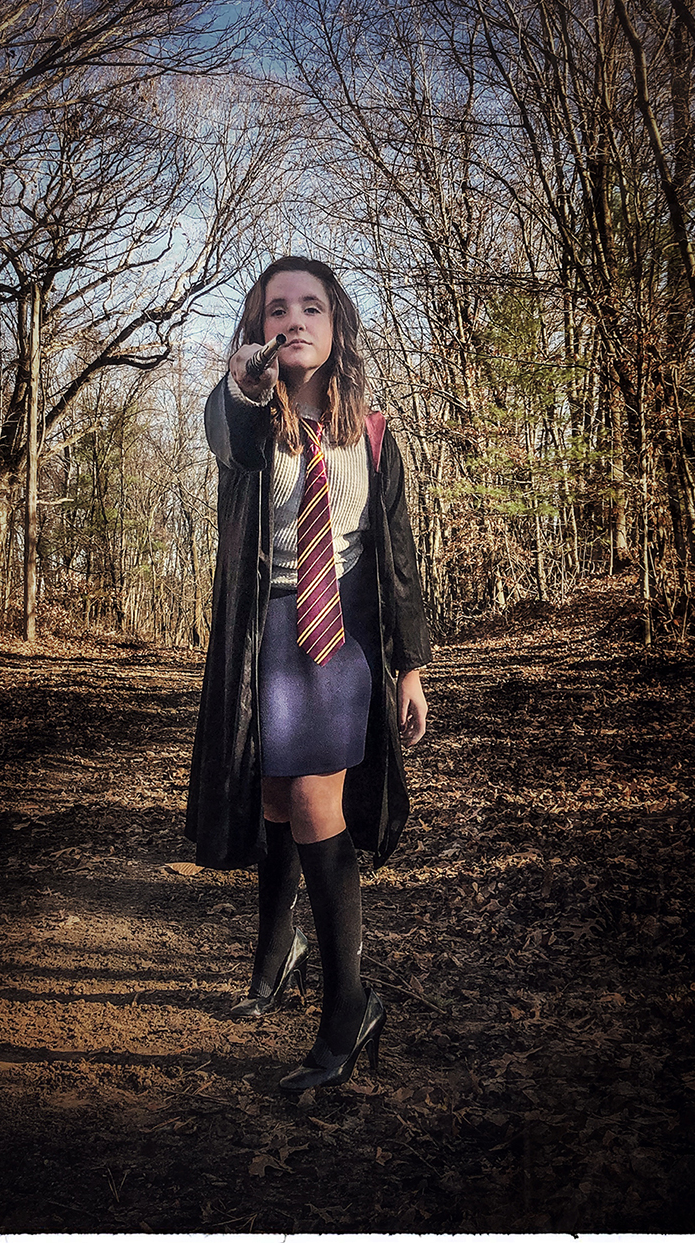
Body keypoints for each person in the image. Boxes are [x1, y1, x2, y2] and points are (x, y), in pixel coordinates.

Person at [185, 256, 431, 1092]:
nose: (292, 319)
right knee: (272, 800)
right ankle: (275, 947)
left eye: (310, 306)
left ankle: (347, 1008)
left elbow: (397, 556)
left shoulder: (374, 434)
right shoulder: (251, 420)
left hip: (340, 641)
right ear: (257, 332)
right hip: (266, 633)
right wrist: (241, 386)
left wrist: (410, 667)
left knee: (314, 802)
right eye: (275, 309)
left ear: (336, 325)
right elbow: (226, 434)